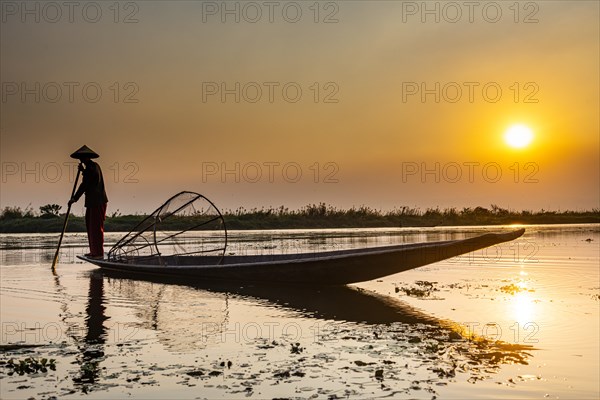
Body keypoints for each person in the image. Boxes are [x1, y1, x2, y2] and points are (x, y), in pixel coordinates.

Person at [68, 145, 108, 259]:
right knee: (90, 226)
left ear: (86, 158)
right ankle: (94, 251)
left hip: (97, 201)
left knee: (96, 227)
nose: (80, 160)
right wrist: (83, 171)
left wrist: (74, 199)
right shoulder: (91, 167)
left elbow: (85, 185)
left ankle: (98, 253)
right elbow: (88, 179)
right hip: (92, 201)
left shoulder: (91, 168)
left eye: (82, 158)